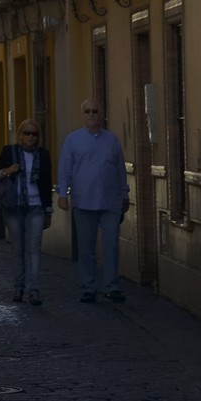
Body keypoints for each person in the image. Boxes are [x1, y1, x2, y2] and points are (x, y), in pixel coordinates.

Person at [56, 98, 130, 303]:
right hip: (84, 201)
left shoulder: (112, 140)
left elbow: (120, 170)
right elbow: (65, 168)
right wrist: (62, 194)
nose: (91, 115)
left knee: (111, 246)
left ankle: (111, 286)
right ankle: (89, 287)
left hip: (110, 201)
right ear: (83, 115)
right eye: (87, 111)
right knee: (86, 248)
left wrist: (125, 195)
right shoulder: (73, 140)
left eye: (94, 111)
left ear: (100, 114)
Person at [0, 119, 53, 305]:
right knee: (18, 249)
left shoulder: (43, 155)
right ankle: (18, 287)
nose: (31, 137)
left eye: (34, 134)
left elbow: (47, 183)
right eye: (27, 133)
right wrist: (8, 170)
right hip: (14, 207)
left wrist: (48, 210)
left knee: (33, 250)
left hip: (36, 207)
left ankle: (33, 290)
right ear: (20, 135)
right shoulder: (9, 152)